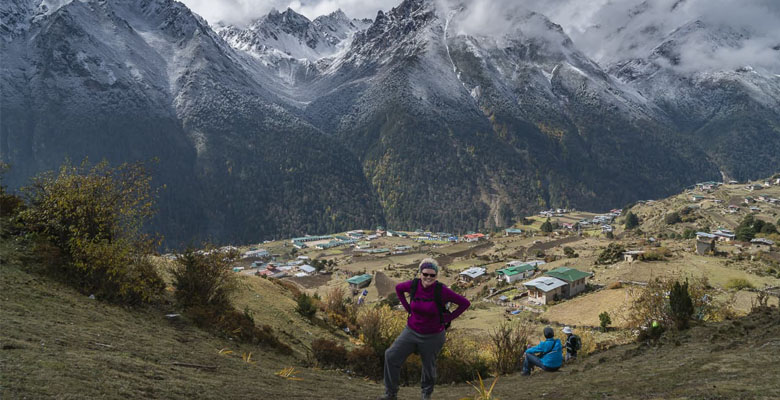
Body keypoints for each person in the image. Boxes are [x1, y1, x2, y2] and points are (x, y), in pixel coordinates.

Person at [379, 258, 471, 400]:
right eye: (425, 274)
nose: (428, 277)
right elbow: (398, 289)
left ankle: (426, 395)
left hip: (433, 335)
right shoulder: (414, 285)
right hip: (411, 331)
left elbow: (465, 303)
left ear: (436, 276)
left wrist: (447, 318)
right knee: (391, 356)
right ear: (420, 273)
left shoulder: (442, 290)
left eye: (432, 275)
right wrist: (408, 308)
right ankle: (390, 394)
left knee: (428, 367)